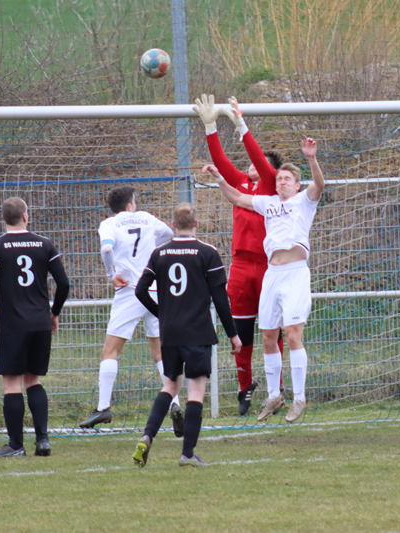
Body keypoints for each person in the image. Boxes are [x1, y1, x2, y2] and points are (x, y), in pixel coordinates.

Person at [205, 135, 324, 423]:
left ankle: (299, 398)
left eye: (287, 179)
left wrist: (311, 158)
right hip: (272, 274)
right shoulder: (267, 203)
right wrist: (220, 177)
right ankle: (274, 395)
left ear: (296, 185)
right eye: (280, 178)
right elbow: (236, 197)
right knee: (268, 336)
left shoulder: (303, 201)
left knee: (293, 335)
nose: (282, 182)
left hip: (295, 273)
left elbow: (319, 184)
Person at [193, 94, 285, 415]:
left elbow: (259, 158)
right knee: (242, 337)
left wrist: (242, 125)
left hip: (271, 268)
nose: (251, 166)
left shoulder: (272, 185)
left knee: (274, 333)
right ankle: (244, 389)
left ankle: (278, 388)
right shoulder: (242, 184)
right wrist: (210, 126)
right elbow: (220, 162)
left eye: (260, 163)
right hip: (242, 268)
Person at [131, 203, 240, 467]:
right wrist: (233, 335)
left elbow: (140, 291)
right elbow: (220, 299)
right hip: (198, 331)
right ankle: (187, 454)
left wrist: (162, 313)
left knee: (170, 386)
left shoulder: (160, 253)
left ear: (173, 224)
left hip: (170, 332)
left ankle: (147, 435)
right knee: (195, 391)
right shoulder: (207, 252)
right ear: (197, 224)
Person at [0, 197, 70, 458]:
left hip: (13, 326)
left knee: (11, 383)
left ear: (3, 219)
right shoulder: (44, 244)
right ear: (26, 216)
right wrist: (54, 313)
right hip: (40, 324)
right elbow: (64, 283)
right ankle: (43, 441)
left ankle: (15, 445)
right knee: (33, 380)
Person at [79, 186, 181, 434]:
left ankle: (103, 407)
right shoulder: (146, 218)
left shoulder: (109, 223)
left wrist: (111, 274)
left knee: (110, 350)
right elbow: (168, 233)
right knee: (159, 352)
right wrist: (149, 247)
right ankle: (175, 404)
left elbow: (106, 249)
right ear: (130, 204)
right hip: (155, 289)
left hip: (130, 291)